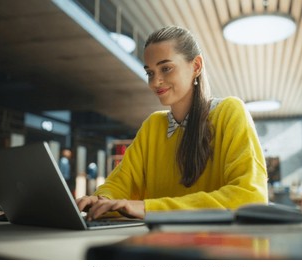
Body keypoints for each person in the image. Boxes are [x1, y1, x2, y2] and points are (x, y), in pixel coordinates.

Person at [76, 26, 268, 221]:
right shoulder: (153, 126)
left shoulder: (229, 112)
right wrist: (101, 201)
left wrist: (149, 208)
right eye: (150, 73)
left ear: (196, 66)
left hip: (216, 246)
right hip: (157, 244)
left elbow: (249, 197)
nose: (155, 82)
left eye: (166, 68)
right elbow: (120, 184)